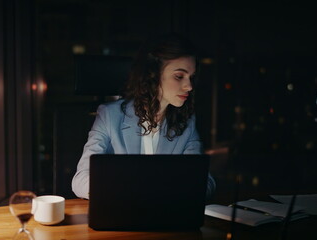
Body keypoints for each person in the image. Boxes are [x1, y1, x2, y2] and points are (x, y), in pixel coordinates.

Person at [71, 33, 216, 199]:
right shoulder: (110, 116)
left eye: (191, 77)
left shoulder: (186, 123)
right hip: (122, 214)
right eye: (179, 76)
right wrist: (126, 190)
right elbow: (80, 180)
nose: (189, 86)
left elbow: (206, 182)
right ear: (153, 75)